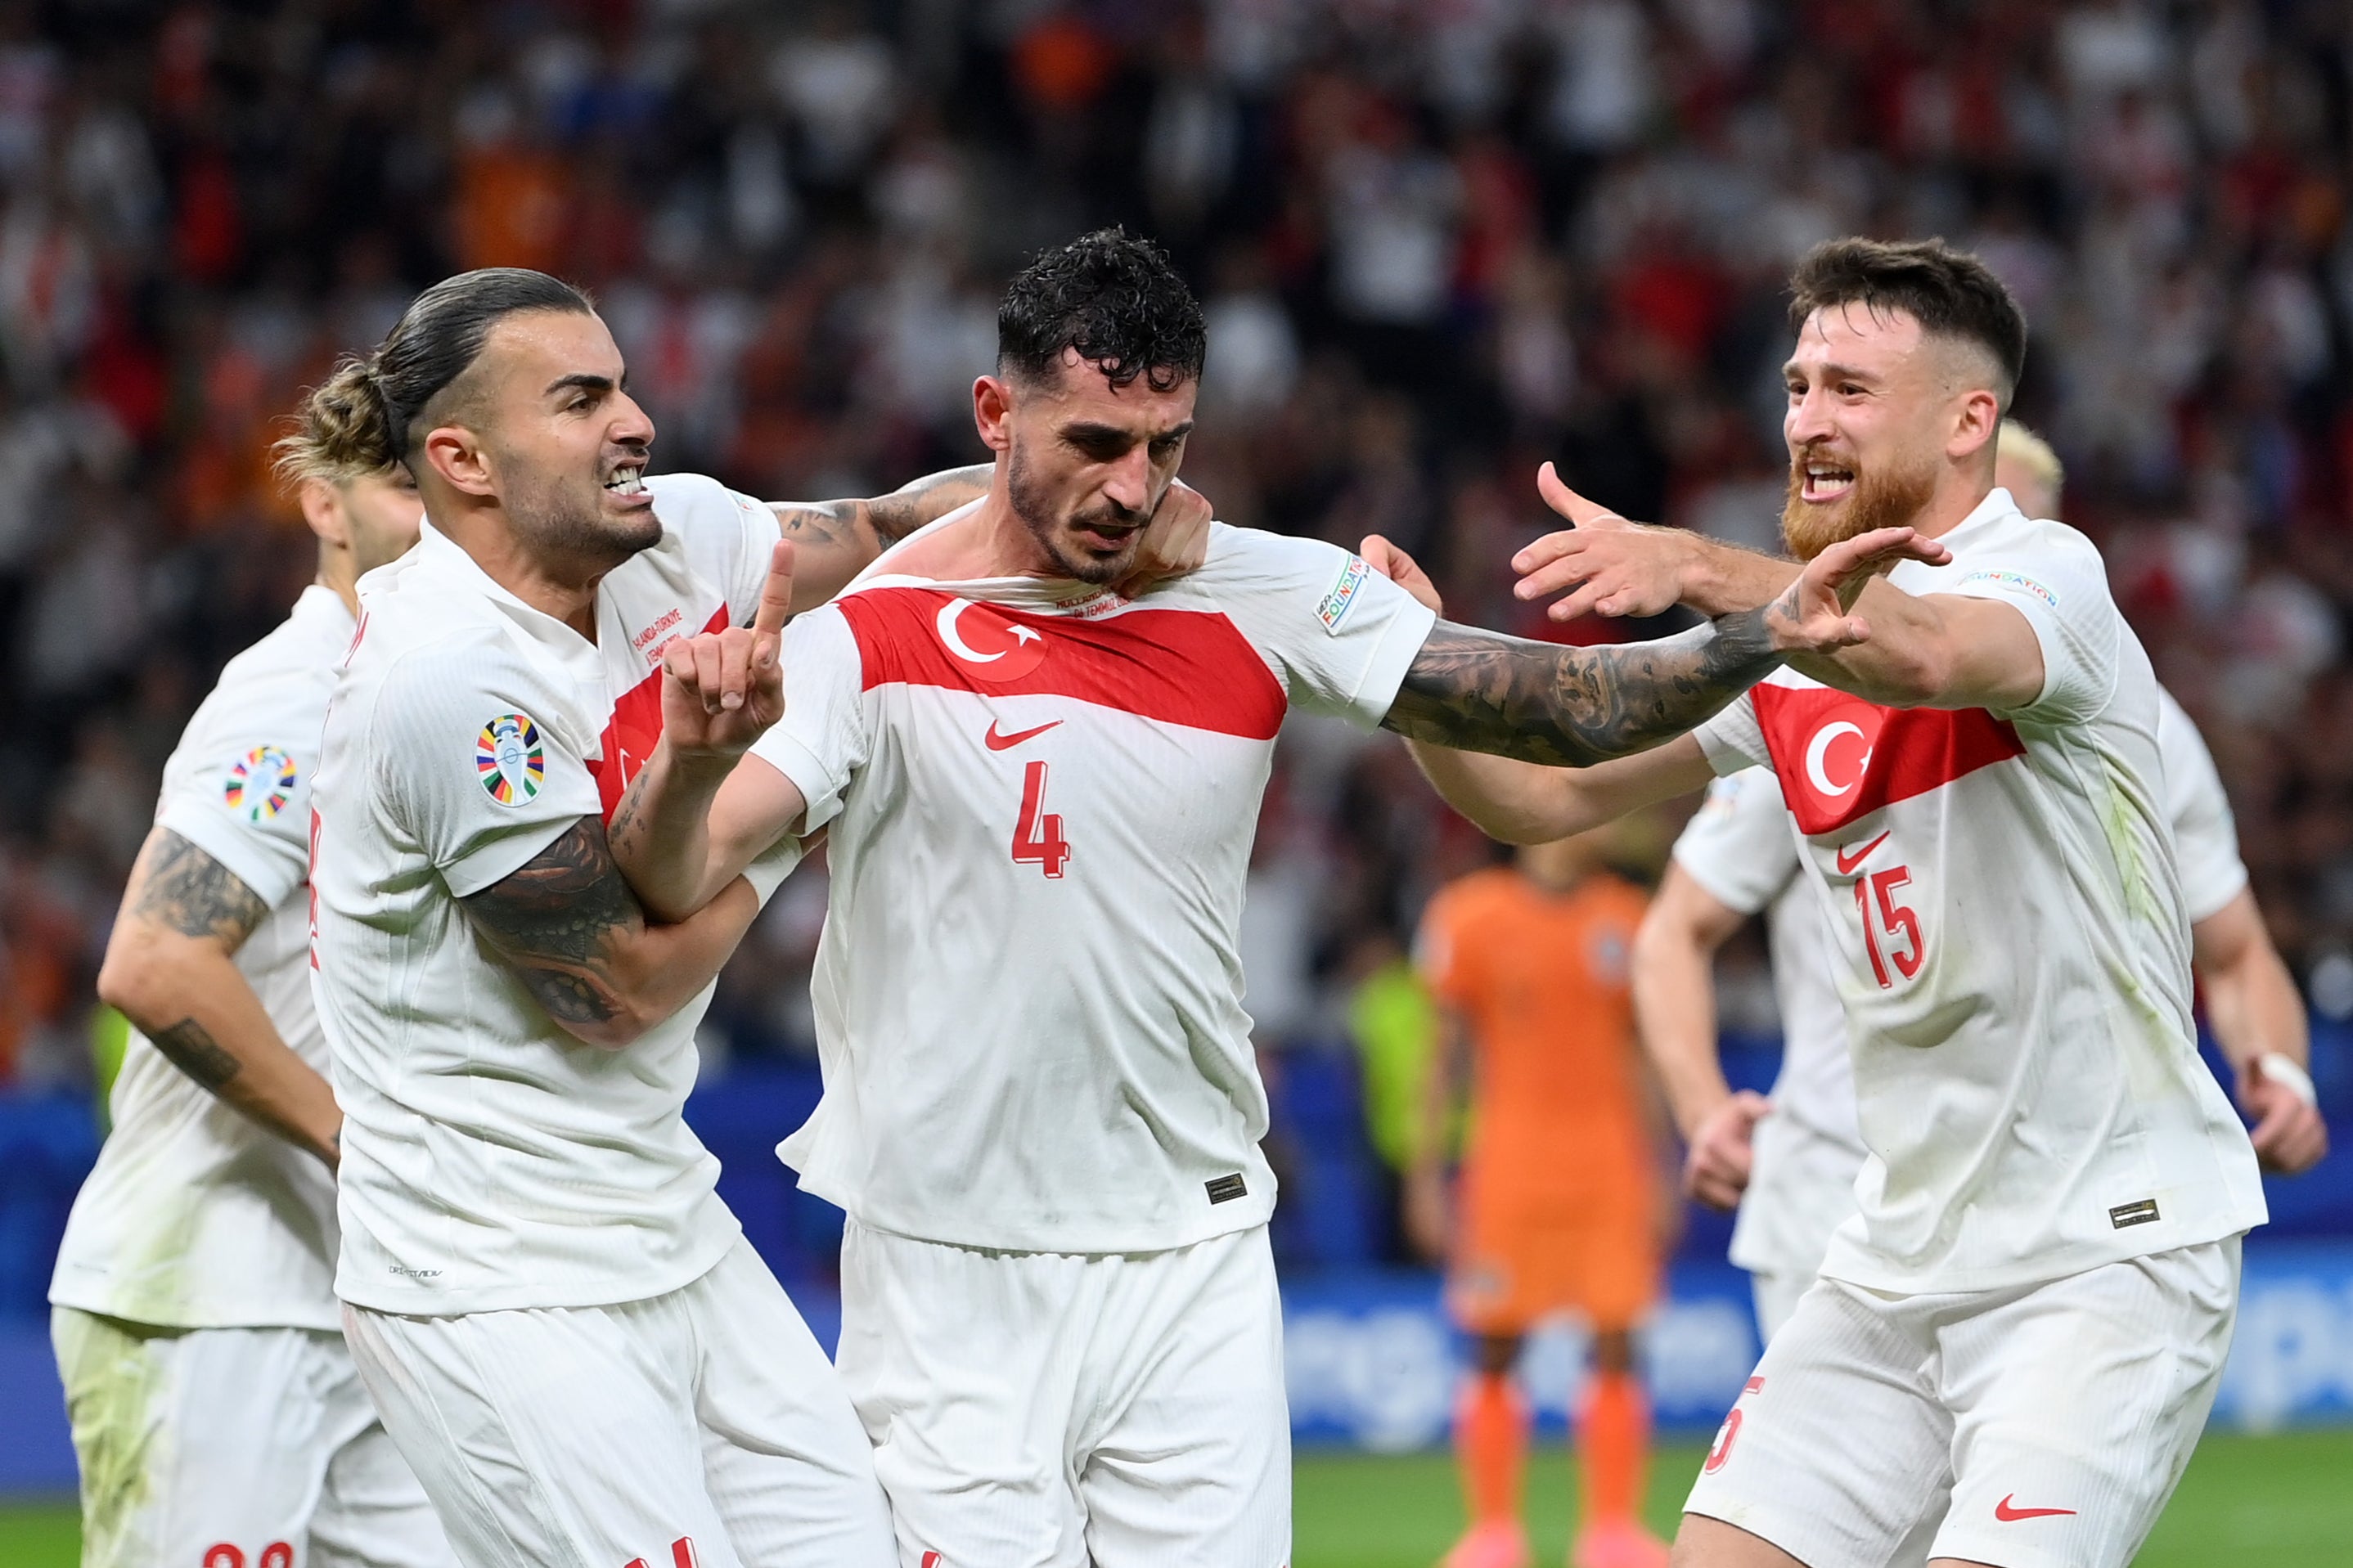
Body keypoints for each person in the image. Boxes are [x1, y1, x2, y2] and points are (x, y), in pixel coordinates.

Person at [601, 227, 1921, 1568]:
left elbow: (1558, 712)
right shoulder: (869, 630)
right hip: (953, 1264)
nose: (1132, 484)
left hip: (1197, 1254)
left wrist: (1754, 629)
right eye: (1096, 442)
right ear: (995, 414)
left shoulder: (1268, 589)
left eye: (1166, 446)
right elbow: (685, 868)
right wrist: (691, 759)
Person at [1374, 236, 2270, 1568]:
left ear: (1972, 419)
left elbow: (1912, 647)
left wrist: (1689, 563)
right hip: (1892, 1255)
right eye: (1797, 386)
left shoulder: (2052, 580)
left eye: (1850, 388)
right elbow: (1548, 797)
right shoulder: (1780, 661)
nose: (1805, 420)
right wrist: (1411, 676)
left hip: (2102, 1255)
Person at [302, 266, 1150, 1568]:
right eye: (581, 399)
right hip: (491, 1276)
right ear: (464, 459)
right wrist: (810, 788)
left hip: (665, 1220)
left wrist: (1091, 499)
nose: (634, 419)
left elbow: (891, 526)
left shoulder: (680, 538)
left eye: (624, 384)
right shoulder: (444, 679)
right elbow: (617, 995)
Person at [1635, 422, 2326, 1345]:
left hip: (2071, 1188)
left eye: (2026, 536)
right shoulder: (1812, 698)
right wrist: (1701, 1106)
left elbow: (2234, 953)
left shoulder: (2147, 730)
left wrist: (2277, 1070)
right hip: (1840, 1188)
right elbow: (1672, 929)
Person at [48, 426, 448, 1568]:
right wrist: (360, 1142)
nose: (440, 515)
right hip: (215, 1296)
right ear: (325, 507)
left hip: (371, 1297)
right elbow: (156, 963)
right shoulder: (292, 694)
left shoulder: (432, 701)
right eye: (399, 486)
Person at [1412, 832, 1671, 1568]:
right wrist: (1427, 1175)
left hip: (1609, 1163)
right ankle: (1494, 1533)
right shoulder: (1468, 916)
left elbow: (1639, 1053)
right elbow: (1445, 1057)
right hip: (1510, 1166)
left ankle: (1612, 1531)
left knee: (1619, 1337)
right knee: (1496, 1340)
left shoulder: (1627, 917)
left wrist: (1660, 1168)